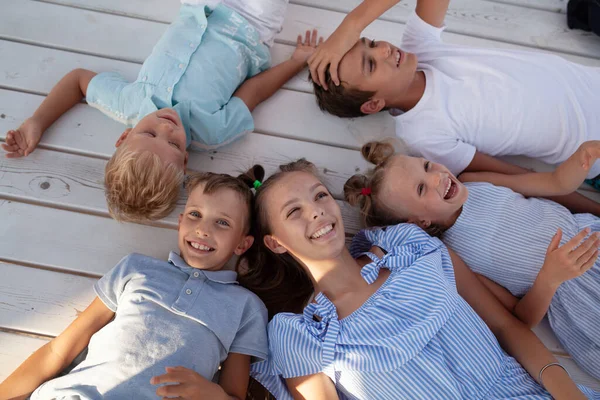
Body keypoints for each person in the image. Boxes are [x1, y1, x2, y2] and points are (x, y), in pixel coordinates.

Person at [237, 159, 598, 399]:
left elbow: (506, 325)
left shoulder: (409, 246)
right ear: (276, 243)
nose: (316, 210)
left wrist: (563, 387)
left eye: (318, 196)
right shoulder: (301, 334)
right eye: (294, 211)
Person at [2, 0, 322, 222]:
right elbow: (253, 92)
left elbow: (77, 81)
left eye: (149, 133)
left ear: (125, 136)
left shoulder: (126, 104)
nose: (166, 127)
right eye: (172, 143)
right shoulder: (213, 131)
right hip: (252, 25)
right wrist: (294, 62)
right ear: (185, 159)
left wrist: (37, 122)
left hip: (199, 9)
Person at [307, 0, 600, 214]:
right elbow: (519, 178)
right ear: (373, 103)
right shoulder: (425, 135)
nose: (383, 49)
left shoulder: (420, 50)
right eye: (370, 63)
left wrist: (351, 25)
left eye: (369, 42)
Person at [344, 139, 600, 380]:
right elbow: (520, 319)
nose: (437, 177)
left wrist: (581, 158)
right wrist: (549, 279)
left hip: (593, 237)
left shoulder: (476, 182)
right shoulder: (453, 257)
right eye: (421, 189)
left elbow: (556, 183)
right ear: (419, 222)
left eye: (426, 165)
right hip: (582, 298)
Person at [0, 170, 267, 399]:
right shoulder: (137, 269)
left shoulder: (245, 307)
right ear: (180, 222)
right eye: (195, 214)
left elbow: (234, 394)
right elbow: (59, 350)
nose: (203, 229)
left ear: (242, 244)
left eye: (222, 222)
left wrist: (211, 393)